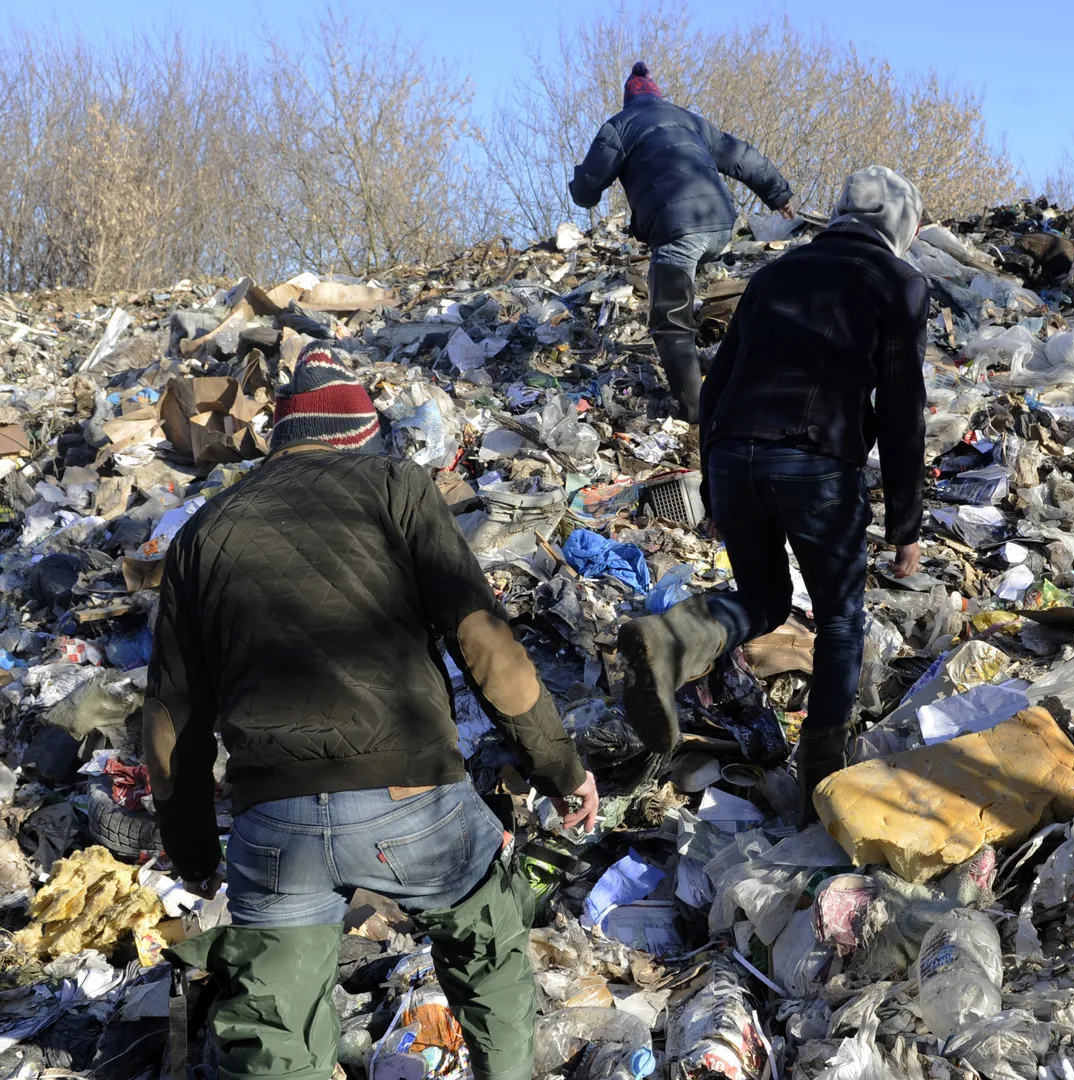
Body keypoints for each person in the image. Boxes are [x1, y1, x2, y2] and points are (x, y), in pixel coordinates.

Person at [145, 346, 598, 1080]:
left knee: (277, 1038)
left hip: (275, 823)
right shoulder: (396, 486)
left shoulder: (207, 529)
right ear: (363, 436)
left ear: (285, 440)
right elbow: (484, 644)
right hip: (411, 799)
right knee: (490, 958)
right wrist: (559, 766)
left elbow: (171, 719)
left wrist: (194, 854)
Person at [616, 166, 929, 822]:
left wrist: (712, 480)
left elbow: (719, 380)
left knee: (763, 598)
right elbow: (902, 410)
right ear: (900, 224)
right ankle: (822, 776)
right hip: (814, 463)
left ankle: (670, 639)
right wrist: (905, 525)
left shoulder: (775, 274)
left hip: (735, 454)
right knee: (841, 618)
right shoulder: (897, 282)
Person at [569, 61, 796, 422]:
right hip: (722, 224)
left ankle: (698, 413)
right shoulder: (692, 120)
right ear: (658, 97)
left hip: (680, 232)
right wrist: (779, 194)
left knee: (670, 321)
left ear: (630, 100)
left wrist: (580, 183)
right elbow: (742, 156)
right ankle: (734, 360)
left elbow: (587, 190)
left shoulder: (620, 126)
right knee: (702, 292)